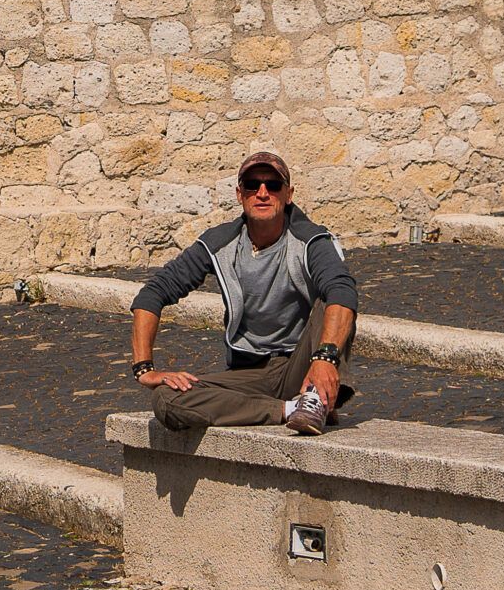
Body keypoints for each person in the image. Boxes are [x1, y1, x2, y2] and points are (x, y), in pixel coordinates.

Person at [129, 148, 358, 436]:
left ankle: (314, 397)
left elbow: (342, 291)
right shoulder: (219, 243)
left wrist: (325, 358)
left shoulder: (311, 240)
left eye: (273, 185)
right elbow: (154, 292)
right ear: (240, 195)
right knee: (166, 398)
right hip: (251, 374)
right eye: (252, 185)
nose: (262, 193)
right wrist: (144, 369)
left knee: (335, 297)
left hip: (302, 364)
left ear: (288, 195)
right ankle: (289, 409)